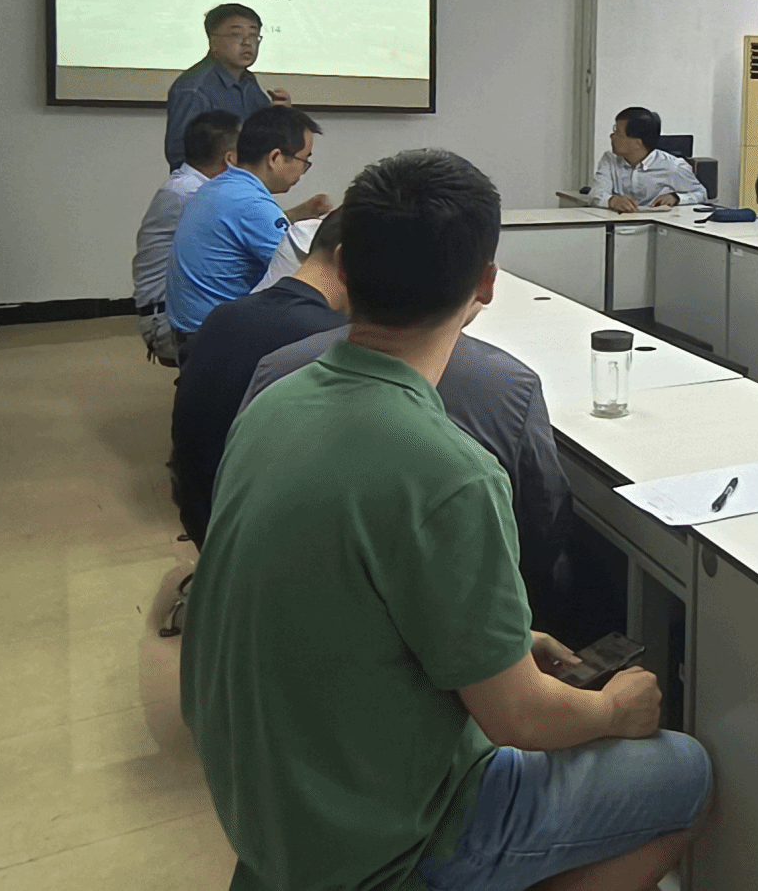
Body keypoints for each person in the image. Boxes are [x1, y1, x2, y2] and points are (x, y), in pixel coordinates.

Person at [181, 149, 710, 891]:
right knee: (686, 773)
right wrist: (614, 711)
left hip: (265, 808)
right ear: (485, 285)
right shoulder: (450, 471)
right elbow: (520, 721)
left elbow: (337, 594)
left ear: (342, 269)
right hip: (384, 833)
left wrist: (507, 643)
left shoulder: (274, 403)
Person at [240, 318, 580, 641]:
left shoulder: (274, 380)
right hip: (419, 648)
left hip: (268, 634)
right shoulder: (472, 460)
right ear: (484, 287)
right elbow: (543, 526)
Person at [169, 210, 350, 547]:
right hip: (258, 542)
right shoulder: (332, 342)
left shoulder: (223, 316)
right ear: (346, 262)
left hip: (200, 517)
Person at [167, 105, 331, 355]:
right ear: (275, 158)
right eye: (304, 161)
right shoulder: (250, 202)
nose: (303, 171)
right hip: (214, 340)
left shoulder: (218, 186)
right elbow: (305, 273)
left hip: (192, 330)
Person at [132, 109, 238, 365]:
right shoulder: (190, 193)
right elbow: (245, 235)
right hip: (168, 321)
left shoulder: (193, 186)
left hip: (175, 310)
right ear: (230, 159)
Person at [165, 3, 292, 170]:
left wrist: (281, 115)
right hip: (212, 184)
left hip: (243, 180)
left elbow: (261, 139)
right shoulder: (193, 89)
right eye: (236, 34)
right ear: (212, 41)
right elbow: (179, 155)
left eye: (253, 35)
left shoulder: (248, 82)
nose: (247, 43)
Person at [587, 107, 707, 212]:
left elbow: (701, 194)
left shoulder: (673, 166)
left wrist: (676, 198)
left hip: (656, 226)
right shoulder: (610, 160)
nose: (612, 136)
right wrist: (612, 201)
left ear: (637, 143)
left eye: (618, 133)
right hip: (617, 224)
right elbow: (595, 194)